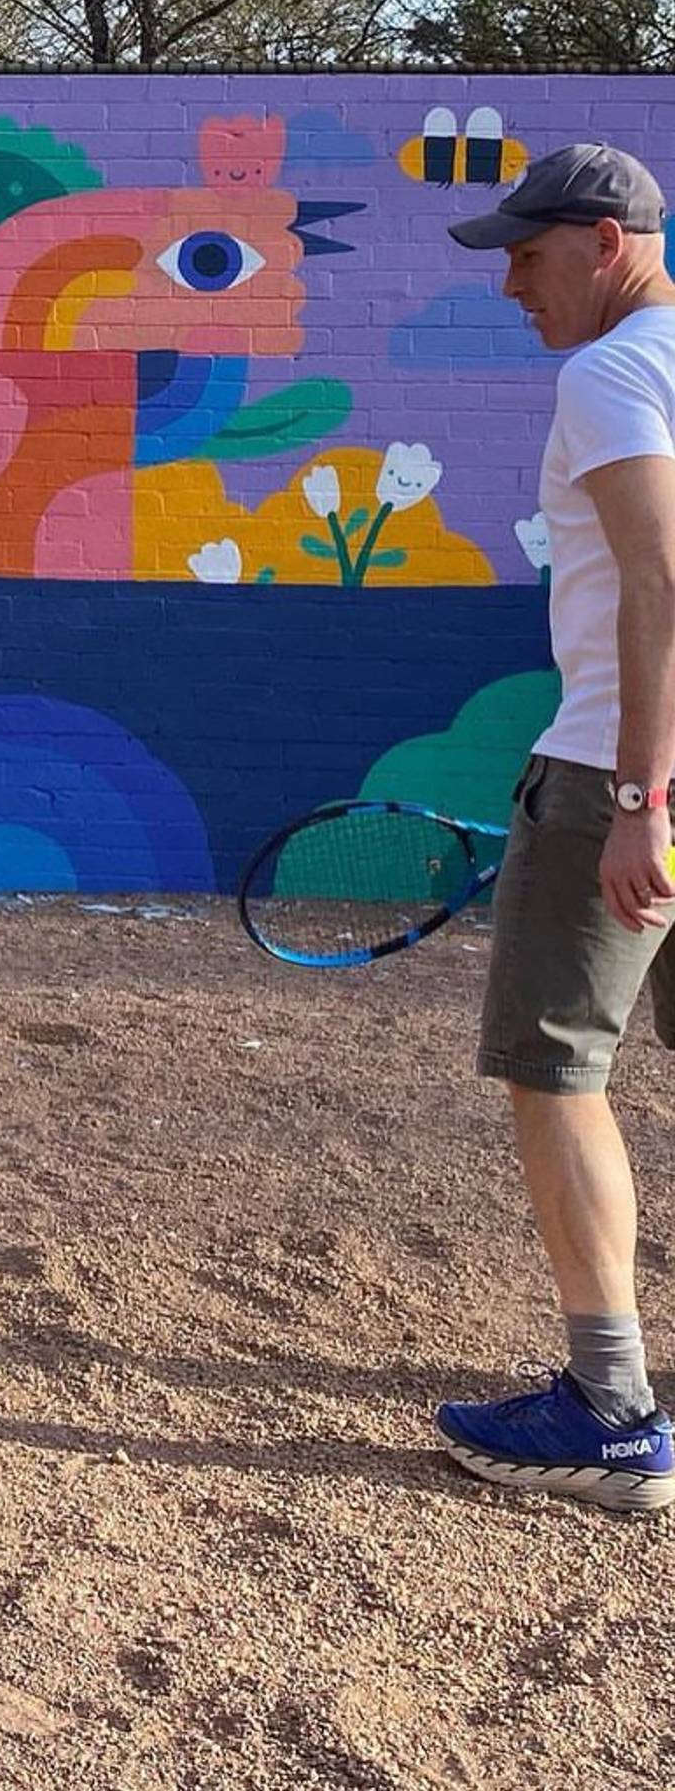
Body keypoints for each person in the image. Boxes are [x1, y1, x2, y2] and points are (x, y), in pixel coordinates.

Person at [434, 144, 675, 1510]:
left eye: (526, 256)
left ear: (600, 240)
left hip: (613, 772)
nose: (513, 286)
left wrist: (640, 796)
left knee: (558, 1074)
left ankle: (611, 1411)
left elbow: (659, 578)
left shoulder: (611, 372)